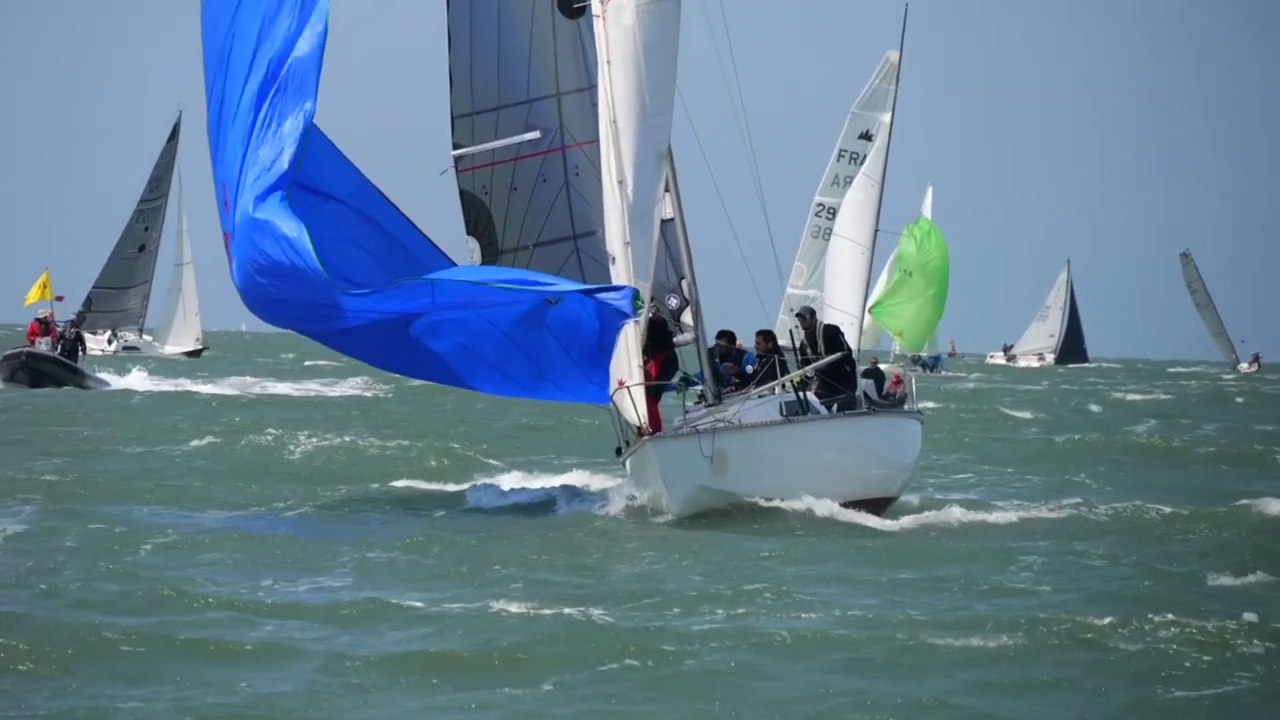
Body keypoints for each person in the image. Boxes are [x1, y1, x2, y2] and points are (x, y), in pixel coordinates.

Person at [794, 305, 858, 411]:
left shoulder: (831, 331)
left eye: (805, 317)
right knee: (816, 407)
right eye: (799, 318)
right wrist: (797, 385)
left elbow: (846, 352)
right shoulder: (803, 345)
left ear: (814, 318)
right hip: (825, 381)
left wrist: (830, 366)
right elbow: (804, 369)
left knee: (845, 406)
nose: (802, 321)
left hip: (844, 378)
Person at [641, 311, 680, 435]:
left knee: (648, 393)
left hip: (663, 357)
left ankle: (652, 432)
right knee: (645, 393)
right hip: (660, 356)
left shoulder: (656, 323)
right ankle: (648, 431)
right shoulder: (655, 321)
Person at [706, 329, 752, 393]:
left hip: (743, 393)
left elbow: (754, 375)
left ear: (732, 346)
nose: (717, 348)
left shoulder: (746, 358)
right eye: (716, 345)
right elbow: (704, 373)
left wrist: (738, 372)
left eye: (721, 346)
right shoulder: (715, 359)